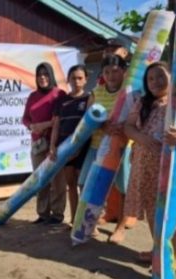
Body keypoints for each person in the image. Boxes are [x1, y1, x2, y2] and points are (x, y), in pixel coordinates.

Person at [118, 62, 176, 270]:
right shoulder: (142, 103)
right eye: (151, 79)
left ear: (171, 78)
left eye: (161, 77)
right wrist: (141, 137)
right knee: (154, 209)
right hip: (147, 167)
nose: (156, 82)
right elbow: (128, 127)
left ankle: (175, 257)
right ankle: (159, 249)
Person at [78, 55, 131, 235]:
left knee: (122, 187)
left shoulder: (129, 92)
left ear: (124, 71)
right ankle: (88, 222)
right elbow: (89, 116)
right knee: (85, 183)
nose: (111, 75)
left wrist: (123, 127)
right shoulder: (96, 92)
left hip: (121, 146)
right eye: (107, 72)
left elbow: (136, 116)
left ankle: (121, 227)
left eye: (115, 71)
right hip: (97, 145)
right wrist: (102, 124)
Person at [22, 62, 67, 224]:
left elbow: (60, 119)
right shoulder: (33, 96)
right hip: (37, 144)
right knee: (40, 180)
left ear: (51, 76)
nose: (42, 78)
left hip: (55, 143)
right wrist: (31, 126)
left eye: (45, 74)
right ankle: (43, 213)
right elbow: (25, 118)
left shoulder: (59, 94)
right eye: (39, 75)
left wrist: (45, 125)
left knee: (57, 180)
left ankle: (57, 214)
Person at [48, 65, 92, 225]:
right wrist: (53, 146)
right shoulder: (62, 101)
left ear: (86, 80)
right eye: (73, 78)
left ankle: (85, 221)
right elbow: (56, 125)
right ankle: (74, 219)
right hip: (65, 150)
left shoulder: (89, 99)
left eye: (80, 78)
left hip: (84, 149)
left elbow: (88, 127)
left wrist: (78, 148)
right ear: (68, 80)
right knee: (71, 184)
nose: (76, 81)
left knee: (84, 185)